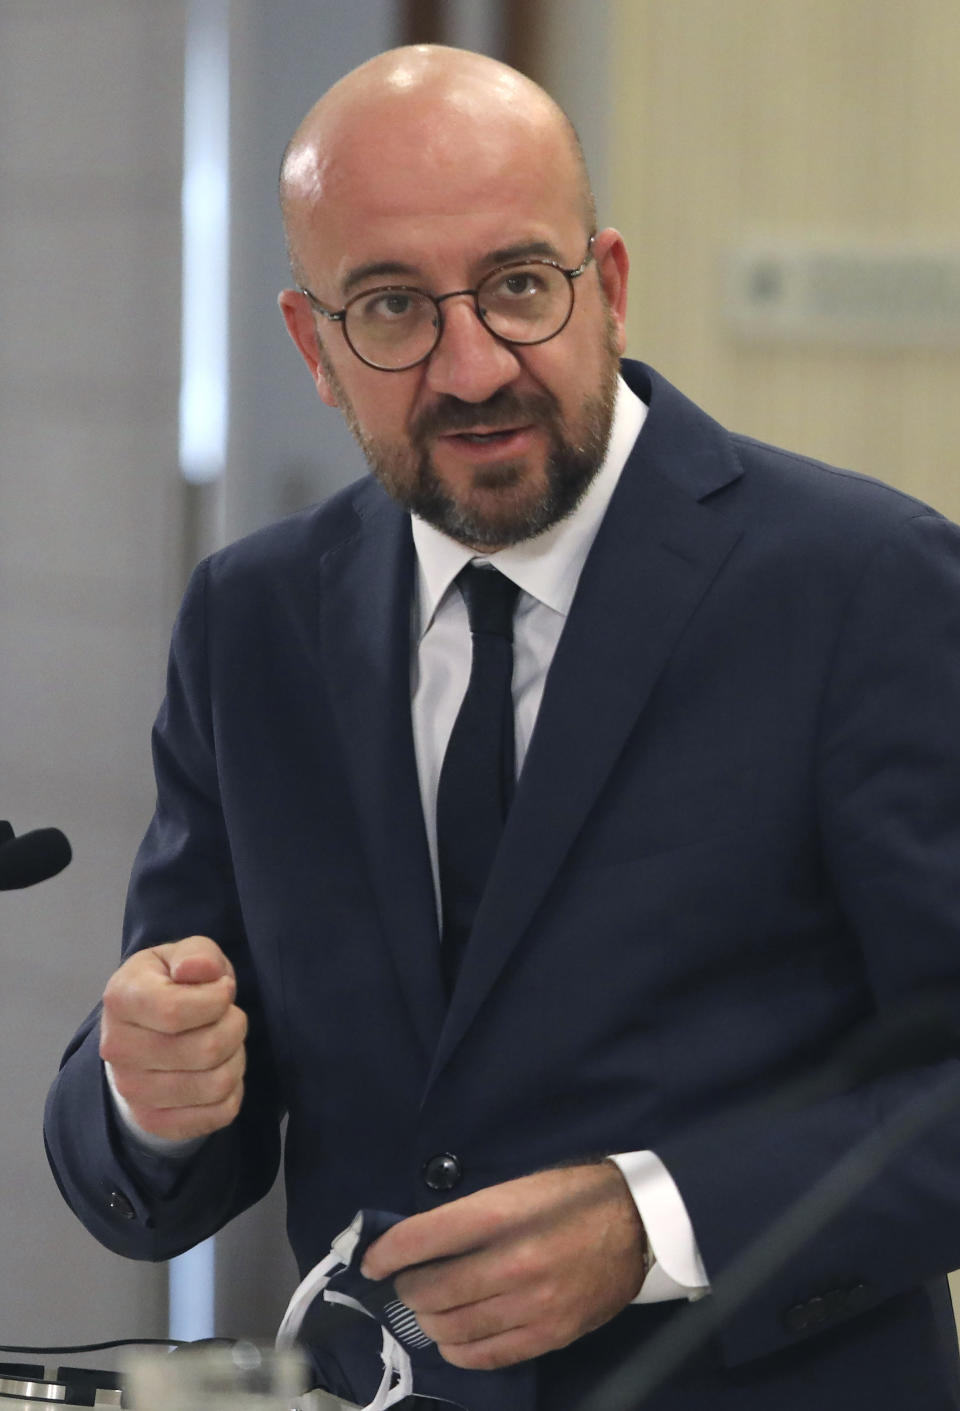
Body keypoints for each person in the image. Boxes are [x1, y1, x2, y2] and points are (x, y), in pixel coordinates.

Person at [44, 43, 960, 1411]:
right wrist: (147, 1094)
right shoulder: (252, 620)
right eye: (396, 307)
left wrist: (657, 1228)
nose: (474, 367)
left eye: (521, 287)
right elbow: (167, 1123)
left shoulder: (864, 585)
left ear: (611, 286)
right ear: (313, 345)